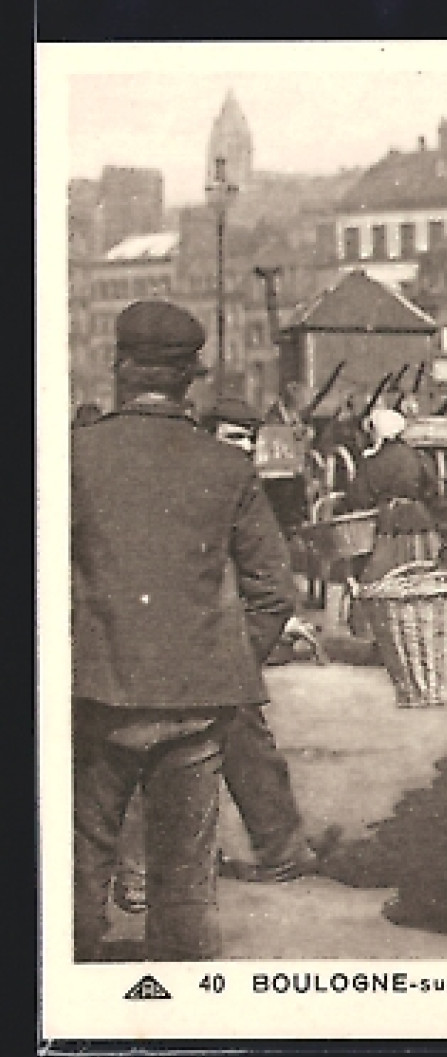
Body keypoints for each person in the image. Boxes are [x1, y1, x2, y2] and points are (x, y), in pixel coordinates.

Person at [73, 299, 300, 960]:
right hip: (198, 705)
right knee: (186, 887)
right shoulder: (227, 466)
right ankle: (183, 1021)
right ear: (188, 380)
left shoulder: (73, 457)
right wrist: (221, 658)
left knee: (81, 869)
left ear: (119, 367)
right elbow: (274, 590)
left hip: (97, 694)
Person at [350, 407, 440, 585]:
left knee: (386, 577)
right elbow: (432, 490)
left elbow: (359, 497)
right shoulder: (418, 456)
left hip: (389, 522)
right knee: (423, 574)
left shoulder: (372, 462)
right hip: (421, 521)